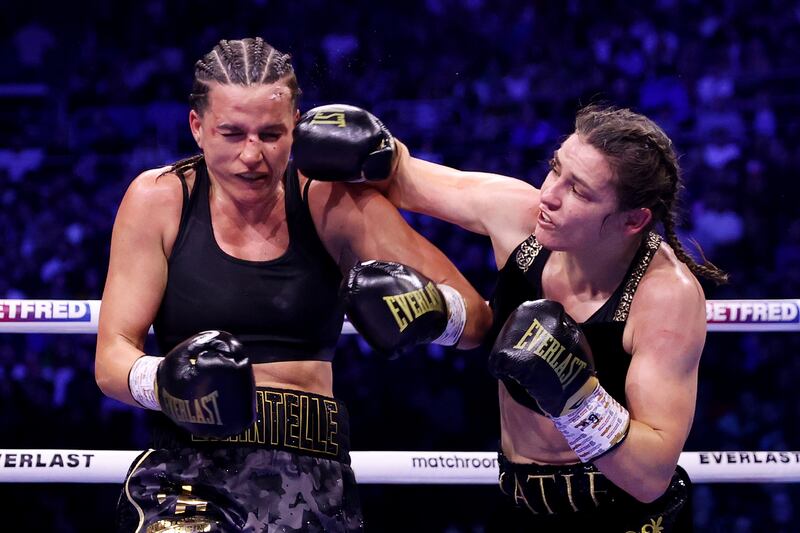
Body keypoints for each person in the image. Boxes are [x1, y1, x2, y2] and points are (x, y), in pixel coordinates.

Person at [94, 37, 491, 533]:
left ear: (297, 126)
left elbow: (476, 319)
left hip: (312, 475)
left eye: (271, 134)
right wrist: (169, 384)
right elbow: (112, 357)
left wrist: (434, 310)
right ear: (197, 127)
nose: (252, 155)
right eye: (232, 133)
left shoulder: (330, 202)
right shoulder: (160, 199)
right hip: (188, 474)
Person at [371, 104, 727, 531]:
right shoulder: (521, 217)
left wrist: (575, 398)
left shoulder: (666, 296)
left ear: (633, 220)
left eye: (578, 190)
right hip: (519, 503)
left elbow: (650, 477)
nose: (549, 195)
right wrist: (360, 145)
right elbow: (394, 172)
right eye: (555, 169)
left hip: (620, 513)